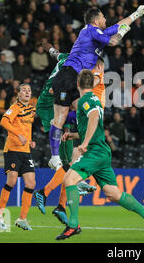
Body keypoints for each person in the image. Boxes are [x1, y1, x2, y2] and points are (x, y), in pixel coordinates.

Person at [56, 70, 144, 240]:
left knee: (69, 180)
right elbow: (93, 126)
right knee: (113, 193)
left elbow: (94, 118)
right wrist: (74, 135)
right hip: (102, 151)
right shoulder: (95, 98)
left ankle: (73, 225)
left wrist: (84, 143)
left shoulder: (84, 100)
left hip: (95, 151)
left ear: (77, 84)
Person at [49, 6, 144, 170]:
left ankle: (77, 166)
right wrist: (123, 32)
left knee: (84, 117)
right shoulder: (90, 30)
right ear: (95, 20)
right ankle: (54, 157)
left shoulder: (97, 33)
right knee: (60, 118)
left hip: (76, 80)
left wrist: (136, 14)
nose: (106, 20)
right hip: (67, 76)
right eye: (103, 17)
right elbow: (114, 40)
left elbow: (119, 24)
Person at [33, 46, 98, 224]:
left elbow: (54, 53)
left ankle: (61, 205)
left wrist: (50, 48)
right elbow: (57, 91)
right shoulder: (74, 69)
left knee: (70, 161)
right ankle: (45, 192)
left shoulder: (69, 58)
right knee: (67, 160)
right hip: (49, 107)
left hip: (61, 105)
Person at [0, 83, 36, 231]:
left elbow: (26, 128)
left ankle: (22, 219)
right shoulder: (15, 107)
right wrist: (18, 135)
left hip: (25, 151)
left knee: (31, 183)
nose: (27, 92)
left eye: (29, 90)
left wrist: (29, 140)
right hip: (12, 149)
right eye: (24, 90)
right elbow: (3, 121)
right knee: (11, 181)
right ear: (18, 94)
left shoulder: (31, 109)